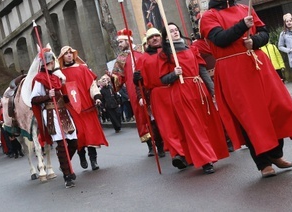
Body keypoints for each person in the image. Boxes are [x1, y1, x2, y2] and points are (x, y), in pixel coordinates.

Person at [199, 0, 292, 178]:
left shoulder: (243, 8)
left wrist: (255, 41)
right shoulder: (208, 16)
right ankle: (263, 162)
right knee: (250, 117)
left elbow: (264, 33)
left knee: (275, 108)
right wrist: (242, 26)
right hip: (233, 71)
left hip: (257, 64)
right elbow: (220, 40)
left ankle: (276, 153)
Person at [138, 23, 228, 175]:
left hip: (198, 89)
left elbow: (202, 70)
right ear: (166, 37)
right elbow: (164, 79)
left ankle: (213, 152)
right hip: (181, 91)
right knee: (194, 127)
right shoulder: (165, 55)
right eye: (171, 32)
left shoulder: (191, 49)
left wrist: (212, 90)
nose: (175, 33)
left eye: (176, 30)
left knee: (206, 124)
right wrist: (174, 73)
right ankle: (206, 160)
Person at [31, 47, 78, 189]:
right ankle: (67, 174)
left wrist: (67, 98)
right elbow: (34, 99)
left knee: (73, 142)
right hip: (51, 114)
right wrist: (47, 96)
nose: (54, 63)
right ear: (48, 63)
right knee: (62, 145)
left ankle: (65, 165)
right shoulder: (39, 79)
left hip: (63, 111)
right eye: (52, 61)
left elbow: (60, 95)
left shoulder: (56, 77)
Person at [112, 28, 163, 158]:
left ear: (129, 40)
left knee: (156, 114)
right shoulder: (121, 58)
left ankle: (161, 142)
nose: (119, 45)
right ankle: (150, 145)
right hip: (134, 91)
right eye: (119, 42)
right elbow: (118, 77)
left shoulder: (143, 50)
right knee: (141, 117)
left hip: (148, 86)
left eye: (121, 42)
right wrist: (113, 78)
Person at [58, 45, 108, 172]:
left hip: (86, 106)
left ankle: (93, 159)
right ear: (62, 57)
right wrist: (63, 98)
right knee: (79, 134)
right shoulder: (60, 75)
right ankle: (82, 156)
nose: (69, 55)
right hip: (72, 109)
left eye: (71, 52)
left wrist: (97, 97)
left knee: (90, 132)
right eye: (66, 53)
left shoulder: (83, 69)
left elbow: (92, 86)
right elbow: (59, 92)